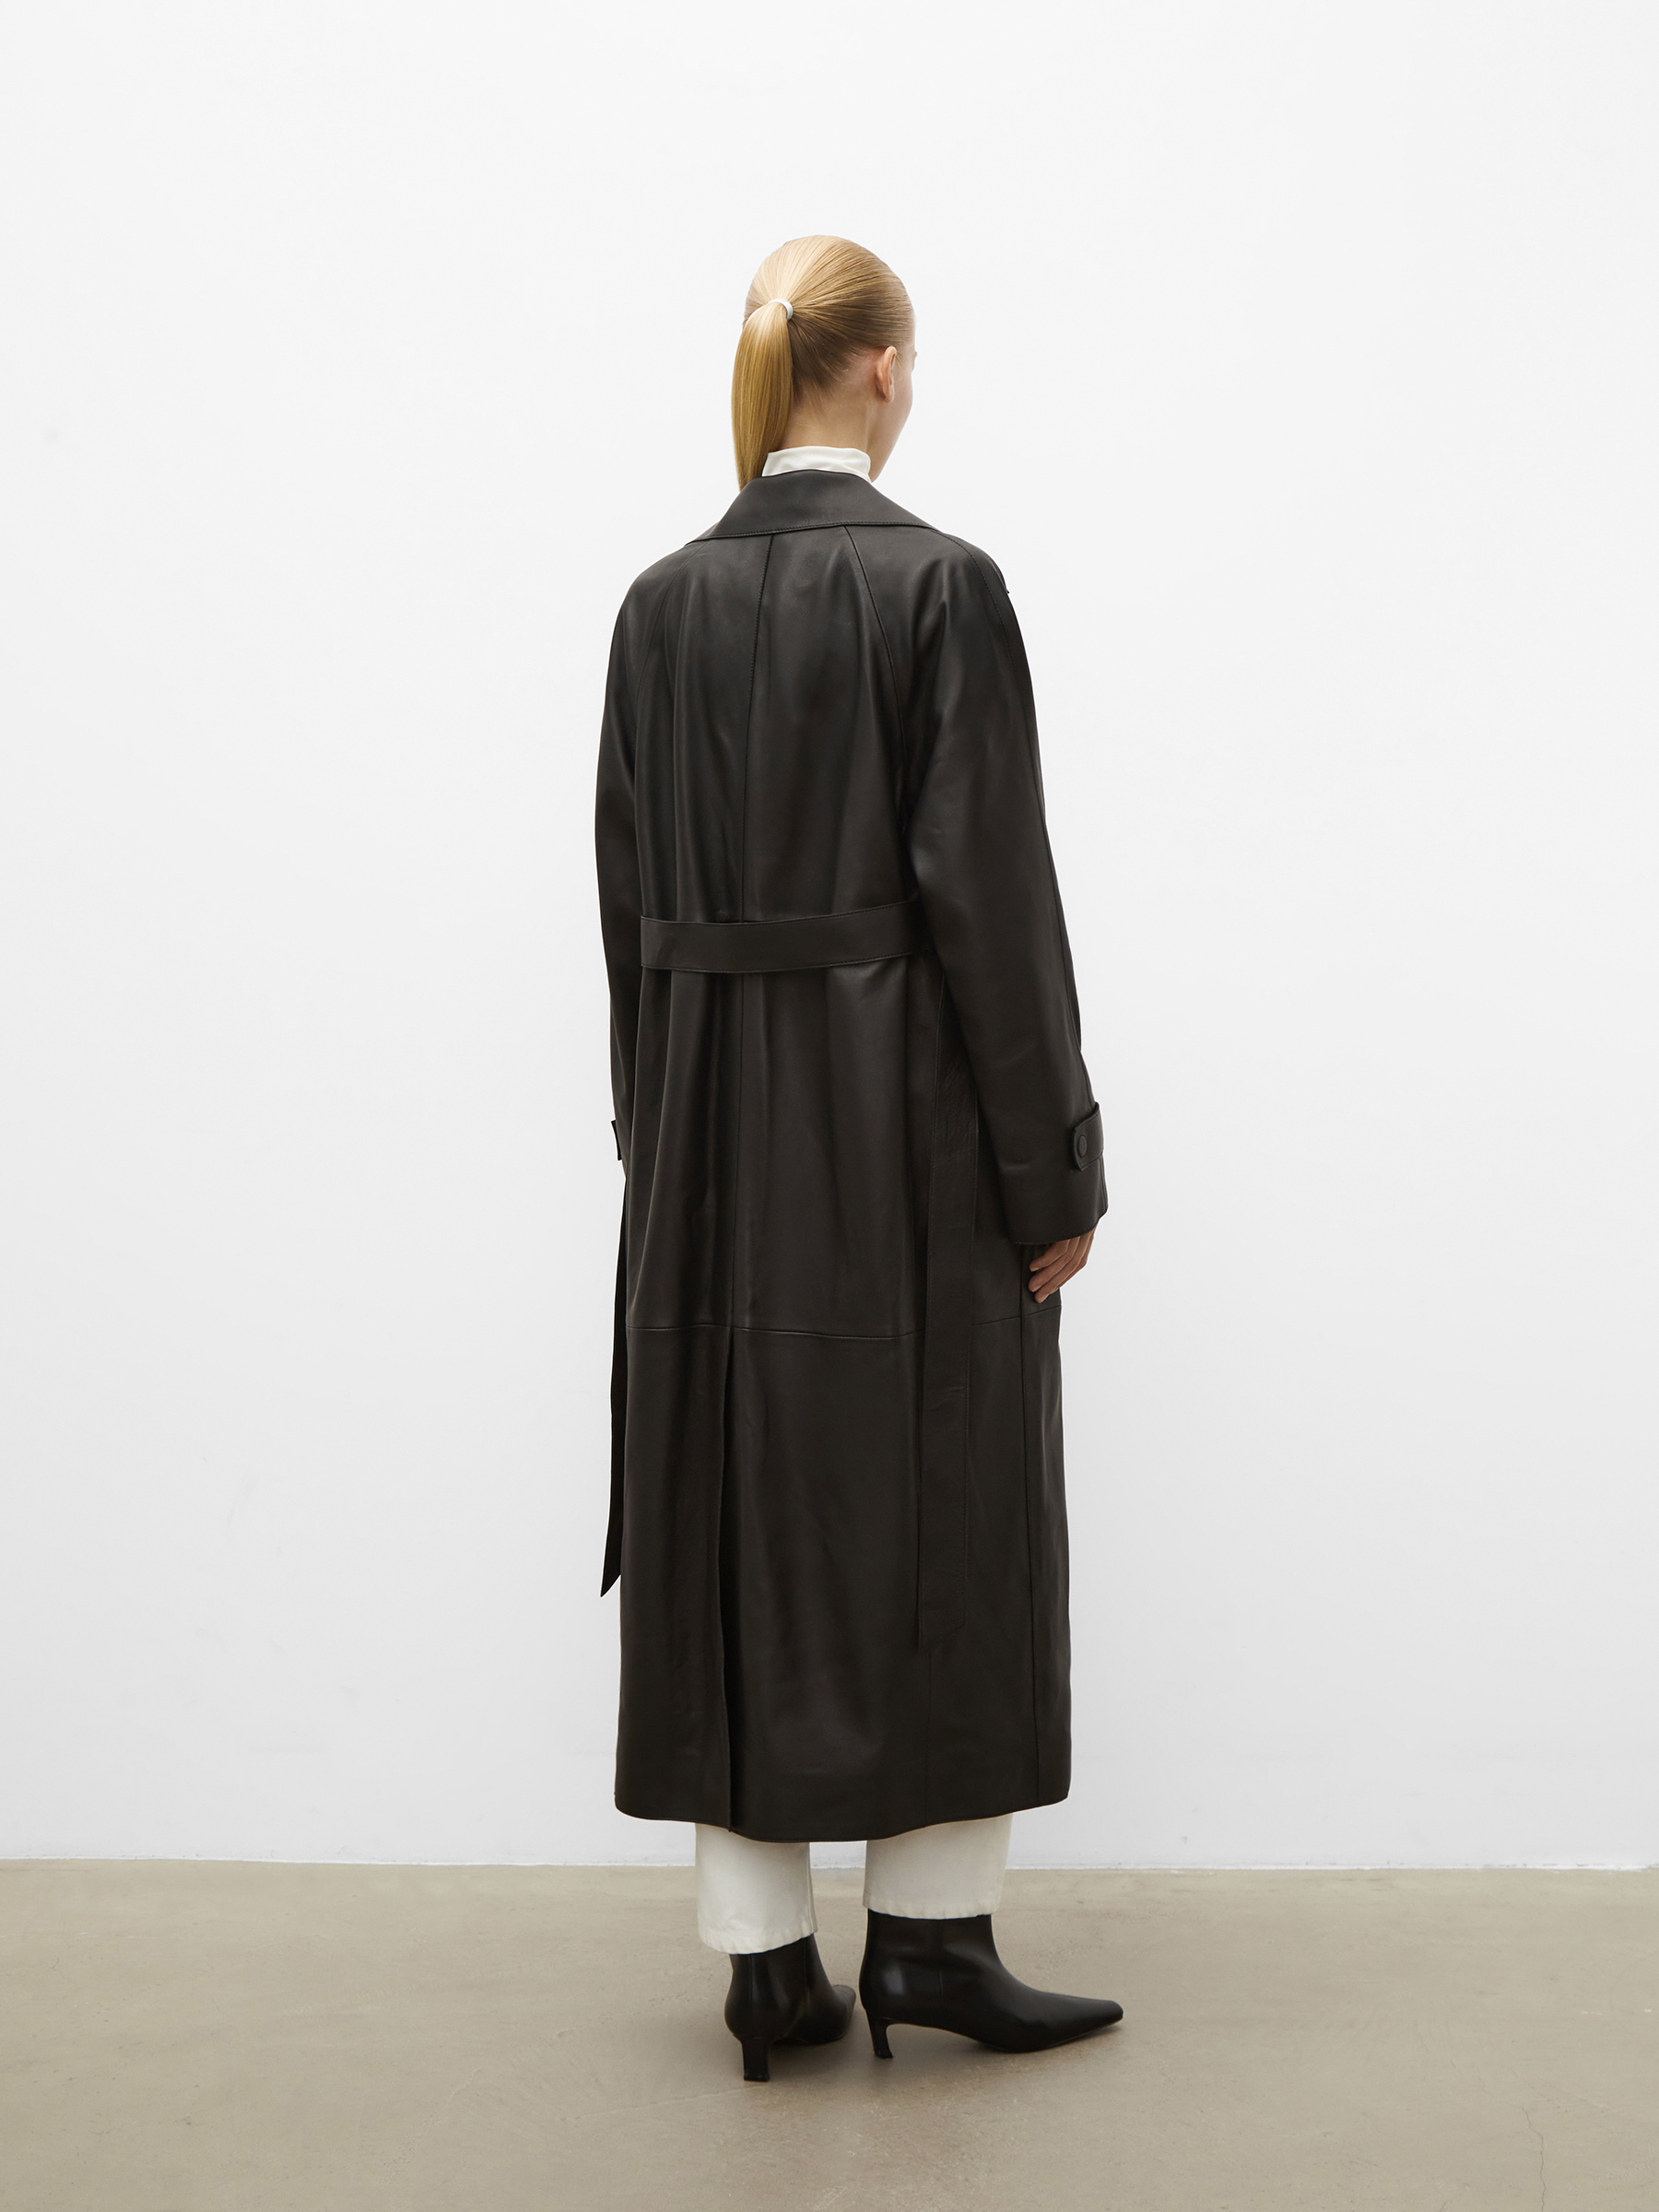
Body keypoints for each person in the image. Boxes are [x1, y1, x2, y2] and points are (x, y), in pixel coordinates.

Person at [594, 234, 1119, 2082]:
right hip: (905, 1142)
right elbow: (996, 909)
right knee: (942, 1506)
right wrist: (1053, 1172)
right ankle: (936, 1943)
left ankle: (763, 1968)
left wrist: (657, 1142)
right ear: (884, 368)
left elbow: (627, 912)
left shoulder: (659, 605)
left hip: (708, 1147)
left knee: (727, 1514)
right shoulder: (939, 586)